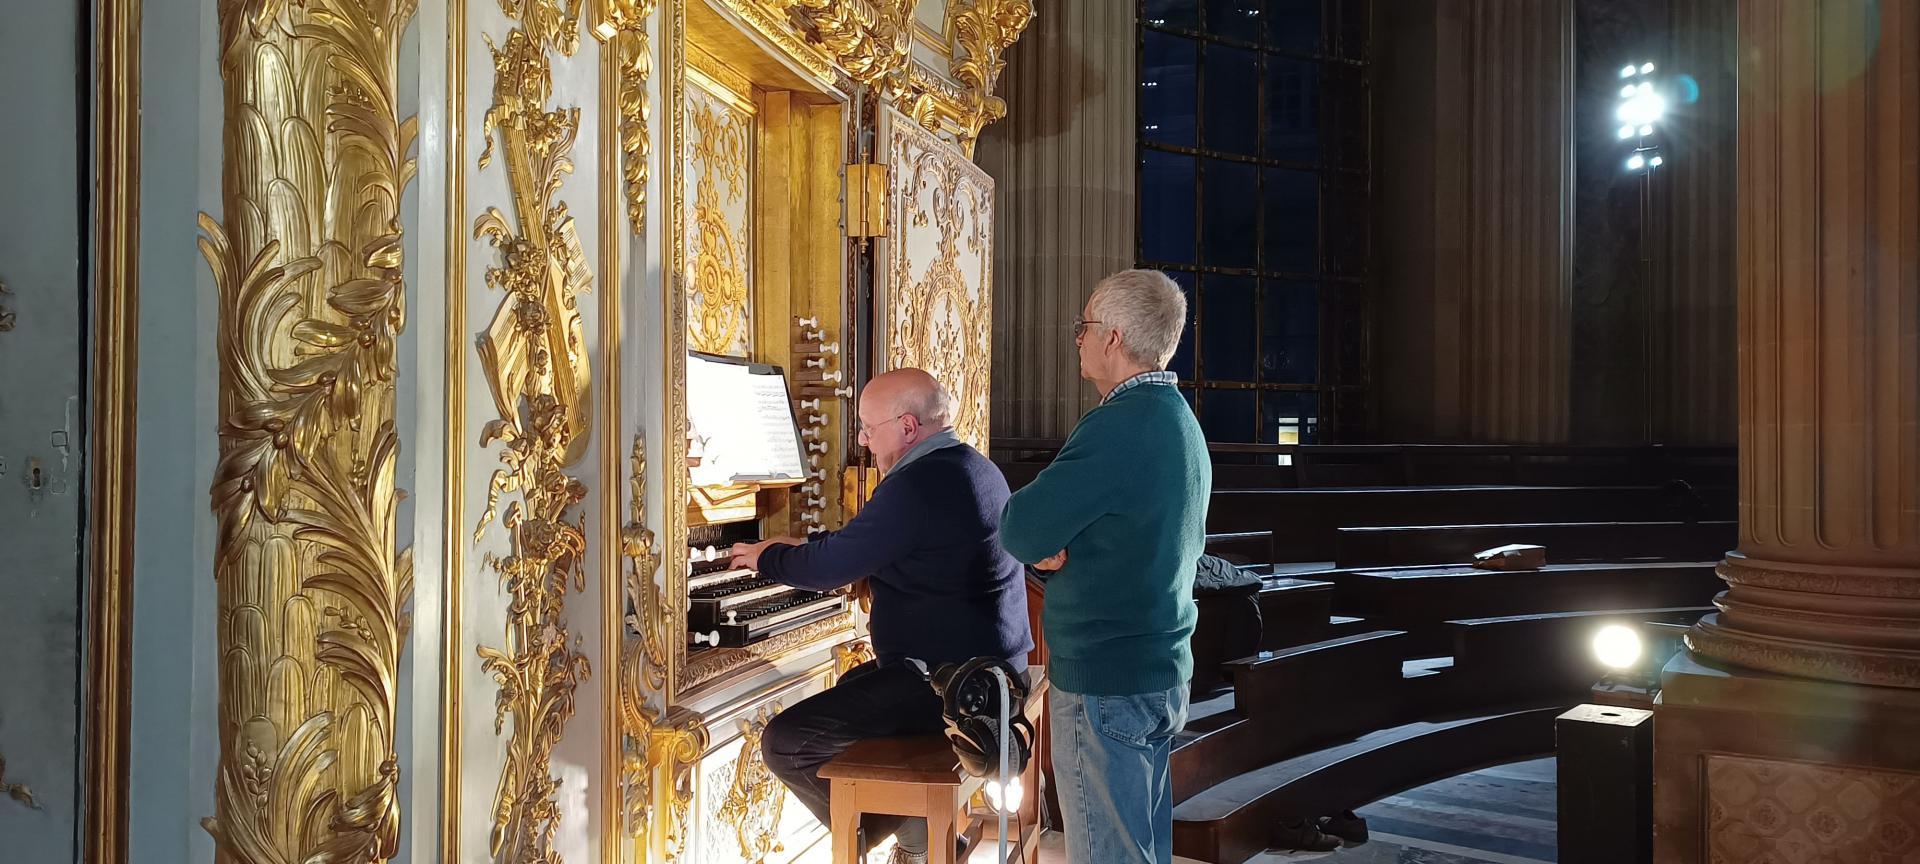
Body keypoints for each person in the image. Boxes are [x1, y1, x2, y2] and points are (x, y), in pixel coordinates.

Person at [730, 367, 1032, 864]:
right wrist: (806, 547)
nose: (864, 441)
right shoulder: (972, 466)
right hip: (987, 672)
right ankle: (924, 839)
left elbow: (832, 566)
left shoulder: (917, 485)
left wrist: (766, 558)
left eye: (869, 429)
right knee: (854, 684)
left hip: (955, 688)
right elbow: (868, 545)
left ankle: (910, 846)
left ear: (907, 428)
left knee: (785, 742)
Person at [999, 268, 1212, 864]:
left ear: (1113, 337)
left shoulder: (1121, 424)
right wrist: (1057, 539)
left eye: (1084, 327)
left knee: (1107, 856)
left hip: (1106, 679)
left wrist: (1047, 540)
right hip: (1158, 667)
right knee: (1140, 850)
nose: (1078, 340)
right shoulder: (1177, 419)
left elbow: (1019, 525)